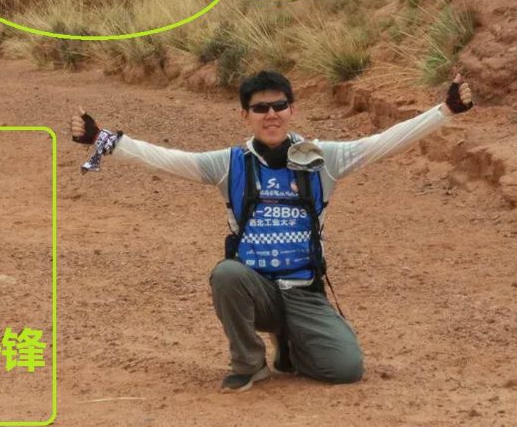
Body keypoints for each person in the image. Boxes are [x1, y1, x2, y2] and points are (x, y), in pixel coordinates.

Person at [70, 70, 473, 393]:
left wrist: (446, 110)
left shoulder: (324, 159)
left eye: (280, 105)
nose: (271, 114)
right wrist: (103, 139)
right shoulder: (229, 164)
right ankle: (249, 364)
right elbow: (168, 159)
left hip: (304, 292)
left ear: (292, 110)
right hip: (256, 290)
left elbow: (383, 143)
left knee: (345, 369)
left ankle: (290, 347)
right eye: (260, 108)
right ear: (244, 115)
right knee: (227, 274)